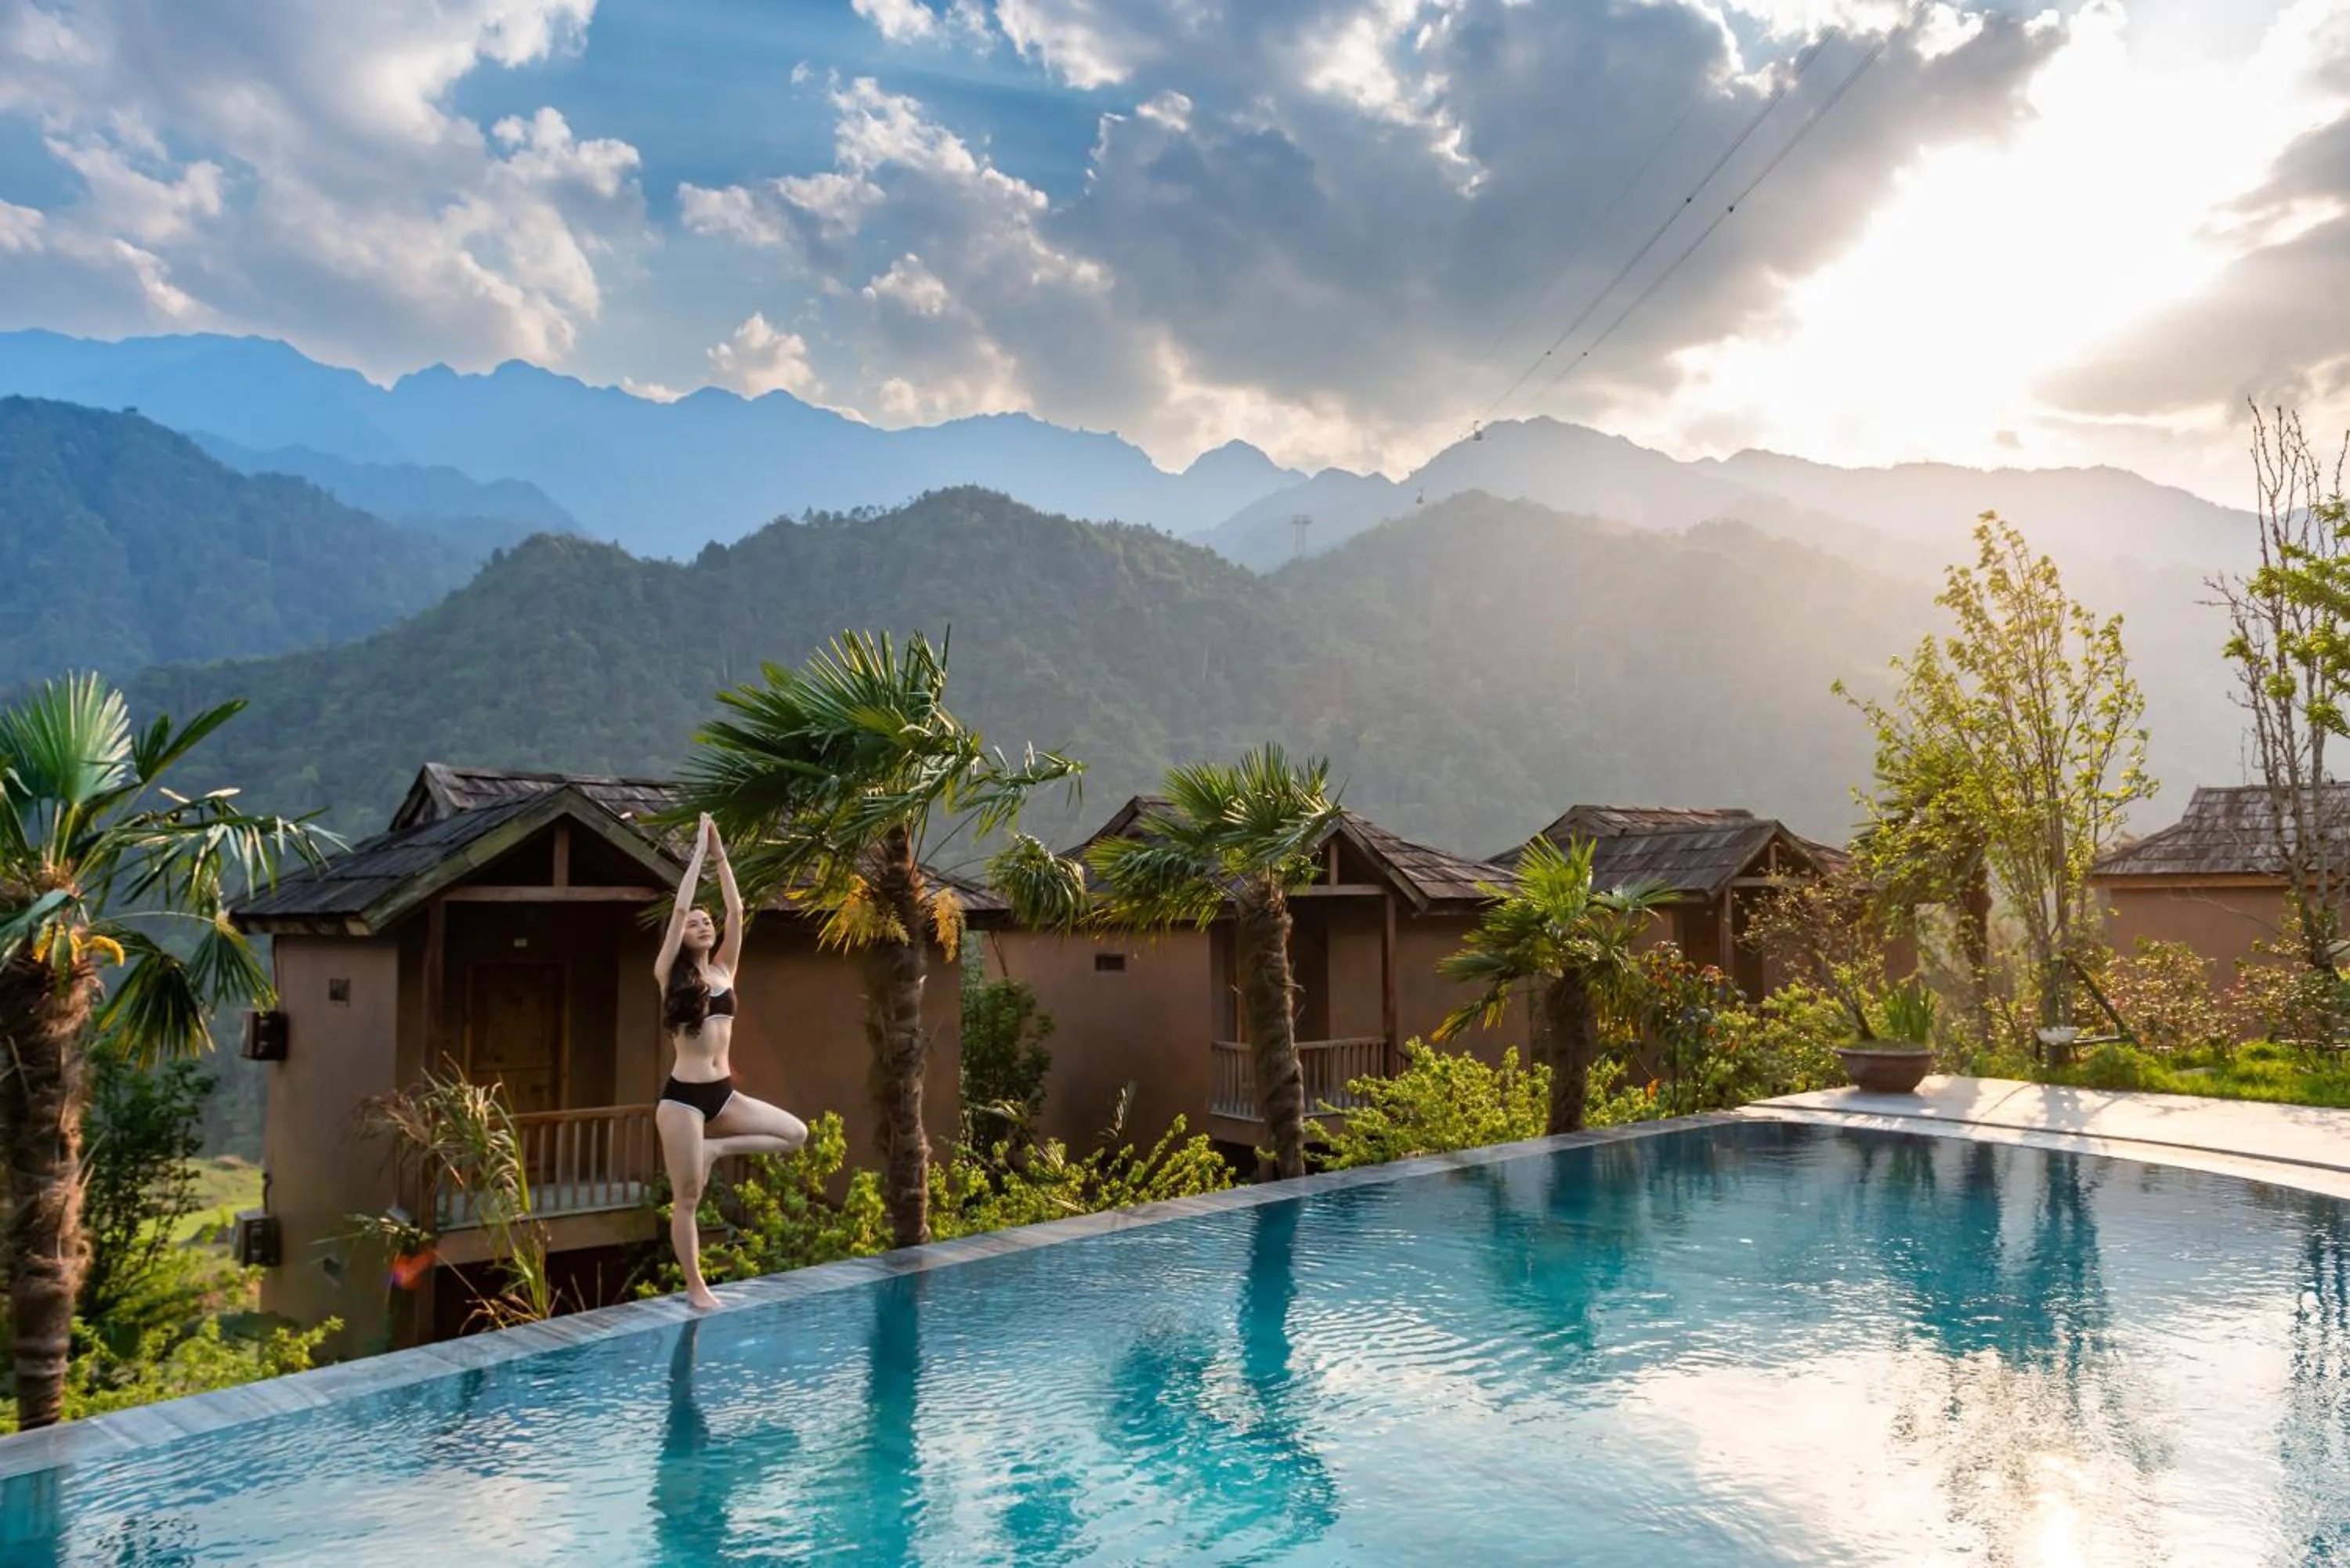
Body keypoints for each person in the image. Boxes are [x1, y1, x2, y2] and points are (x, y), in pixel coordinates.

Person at [654, 814, 808, 1309]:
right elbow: (678, 911)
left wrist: (721, 857)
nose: (701, 924)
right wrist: (696, 853)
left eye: (706, 921)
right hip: (683, 1102)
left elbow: (738, 911)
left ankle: (718, 1150)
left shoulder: (725, 969)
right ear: (682, 936)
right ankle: (696, 1287)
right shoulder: (668, 976)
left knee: (796, 1135)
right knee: (688, 1199)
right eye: (695, 924)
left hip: (723, 1096)